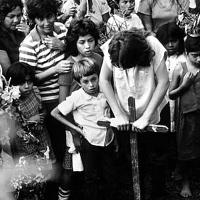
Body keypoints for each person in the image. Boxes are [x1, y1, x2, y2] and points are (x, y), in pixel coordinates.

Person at [99, 30, 169, 199]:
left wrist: (146, 117)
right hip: (125, 112)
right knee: (131, 160)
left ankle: (157, 193)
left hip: (153, 109)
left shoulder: (152, 45)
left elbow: (164, 81)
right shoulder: (112, 47)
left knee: (157, 159)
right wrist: (118, 114)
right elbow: (104, 80)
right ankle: (136, 194)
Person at [19, 0, 70, 199]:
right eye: (41, 18)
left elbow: (74, 53)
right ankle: (53, 191)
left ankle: (67, 188)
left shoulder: (61, 31)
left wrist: (62, 45)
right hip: (48, 103)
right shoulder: (28, 45)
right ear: (33, 19)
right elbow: (29, 79)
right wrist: (54, 70)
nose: (47, 22)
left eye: (50, 16)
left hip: (69, 96)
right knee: (55, 149)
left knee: (70, 147)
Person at [51, 57, 117, 200]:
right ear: (78, 83)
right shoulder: (77, 97)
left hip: (107, 139)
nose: (91, 85)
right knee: (90, 177)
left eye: (94, 79)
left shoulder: (105, 90)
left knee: (110, 174)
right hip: (89, 140)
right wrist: (76, 129)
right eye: (85, 82)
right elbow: (55, 113)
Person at [57, 18, 103, 200]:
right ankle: (63, 196)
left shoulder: (98, 59)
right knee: (71, 167)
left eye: (90, 40)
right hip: (75, 125)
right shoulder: (68, 65)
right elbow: (63, 104)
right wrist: (73, 131)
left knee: (94, 166)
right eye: (82, 42)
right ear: (74, 43)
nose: (87, 46)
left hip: (96, 123)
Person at [6, 61, 55, 165]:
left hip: (42, 137)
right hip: (25, 145)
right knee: (31, 173)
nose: (27, 86)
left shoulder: (35, 92)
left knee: (47, 166)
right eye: (21, 83)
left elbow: (42, 110)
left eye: (29, 82)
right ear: (11, 84)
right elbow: (12, 129)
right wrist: (31, 121)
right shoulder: (10, 103)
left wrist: (41, 116)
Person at [169, 35, 200, 198]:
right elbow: (171, 94)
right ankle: (185, 182)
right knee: (185, 150)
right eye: (195, 55)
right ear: (187, 52)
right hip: (187, 117)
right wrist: (184, 86)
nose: (199, 58)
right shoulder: (180, 68)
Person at [0, 0, 29, 74]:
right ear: (2, 16)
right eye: (11, 16)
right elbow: (9, 72)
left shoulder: (21, 31)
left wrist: (29, 36)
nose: (16, 20)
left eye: (19, 15)